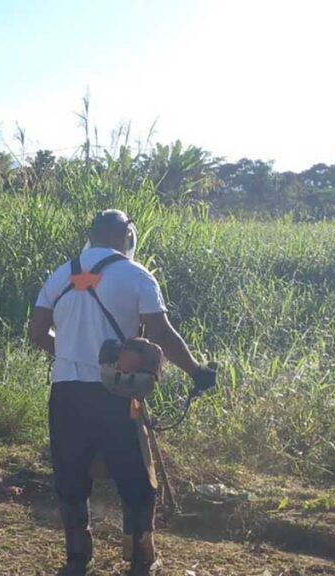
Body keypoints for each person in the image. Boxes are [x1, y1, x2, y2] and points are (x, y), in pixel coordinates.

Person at [28, 209, 216, 575]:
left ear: (92, 236)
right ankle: (141, 558)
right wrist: (196, 371)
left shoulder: (62, 275)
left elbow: (36, 333)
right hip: (115, 392)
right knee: (134, 473)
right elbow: (160, 334)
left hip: (66, 392)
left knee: (71, 472)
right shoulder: (136, 276)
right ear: (126, 236)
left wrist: (70, 355)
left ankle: (77, 559)